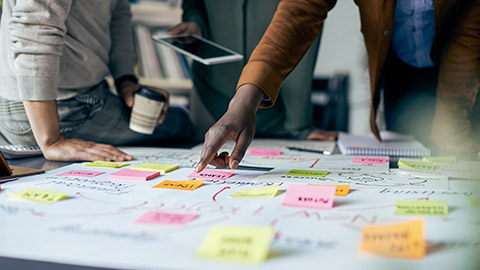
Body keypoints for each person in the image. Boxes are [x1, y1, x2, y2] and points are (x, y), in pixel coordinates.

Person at [195, 0, 480, 172]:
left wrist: (453, 131)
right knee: (410, 172)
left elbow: (466, 41)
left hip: (469, 71)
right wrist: (245, 97)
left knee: (460, 159)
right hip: (401, 68)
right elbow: (300, 10)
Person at [0, 0, 194, 162]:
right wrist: (52, 141)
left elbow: (118, 13)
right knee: (181, 125)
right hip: (54, 109)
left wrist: (126, 81)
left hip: (81, 96)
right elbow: (35, 32)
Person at [169, 0, 337, 141]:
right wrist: (194, 20)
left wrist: (301, 127)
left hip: (280, 105)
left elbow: (300, 17)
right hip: (210, 86)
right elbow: (193, 3)